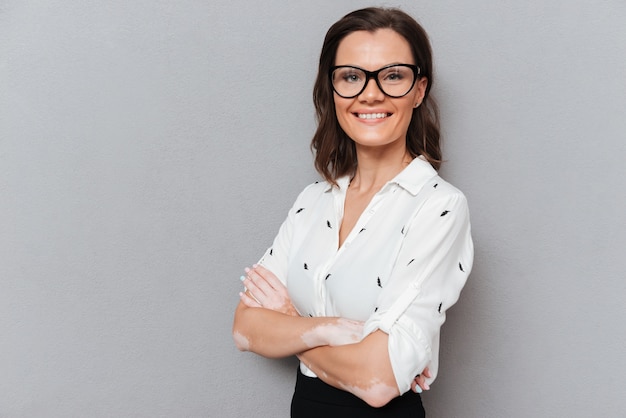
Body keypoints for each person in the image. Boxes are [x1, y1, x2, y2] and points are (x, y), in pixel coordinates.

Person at [232, 7, 473, 417]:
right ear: (333, 90)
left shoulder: (439, 207)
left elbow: (379, 382)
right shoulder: (312, 201)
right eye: (351, 76)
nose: (371, 93)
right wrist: (334, 330)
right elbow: (245, 329)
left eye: (393, 75)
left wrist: (290, 321)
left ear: (419, 89)